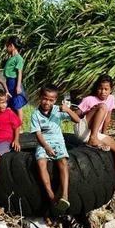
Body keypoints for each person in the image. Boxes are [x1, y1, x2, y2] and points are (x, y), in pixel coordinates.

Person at [74, 74, 115, 198]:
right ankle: (93, 139)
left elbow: (107, 119)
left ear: (110, 89)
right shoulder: (89, 99)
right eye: (100, 88)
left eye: (106, 89)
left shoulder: (111, 99)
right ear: (96, 88)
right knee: (102, 106)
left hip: (95, 133)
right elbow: (76, 115)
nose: (103, 92)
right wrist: (82, 111)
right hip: (83, 130)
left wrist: (104, 136)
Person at [30, 85, 80, 214]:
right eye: (45, 99)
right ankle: (51, 196)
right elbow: (38, 134)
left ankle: (64, 195)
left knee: (62, 162)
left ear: (55, 100)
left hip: (58, 142)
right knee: (41, 163)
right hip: (43, 143)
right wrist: (46, 147)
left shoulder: (58, 110)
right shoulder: (35, 114)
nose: (47, 102)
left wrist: (68, 110)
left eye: (51, 100)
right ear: (40, 98)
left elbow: (77, 120)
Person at [3, 36, 27, 122]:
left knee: (18, 105)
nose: (6, 48)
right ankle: (14, 125)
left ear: (12, 46)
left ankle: (20, 127)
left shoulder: (18, 58)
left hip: (14, 82)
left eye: (7, 46)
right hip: (9, 82)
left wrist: (18, 86)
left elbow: (19, 72)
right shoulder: (11, 58)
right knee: (11, 105)